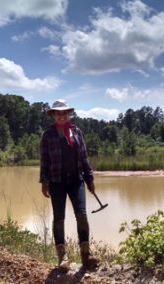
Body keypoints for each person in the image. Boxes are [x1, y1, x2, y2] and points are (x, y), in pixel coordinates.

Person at [39, 99, 99, 272]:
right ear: (53, 115)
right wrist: (44, 182)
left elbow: (84, 157)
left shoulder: (77, 132)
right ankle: (62, 257)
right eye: (58, 113)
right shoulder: (47, 135)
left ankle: (86, 255)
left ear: (68, 114)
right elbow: (45, 161)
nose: (62, 116)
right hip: (56, 182)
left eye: (65, 113)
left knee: (81, 214)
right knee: (59, 218)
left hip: (76, 180)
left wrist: (90, 179)